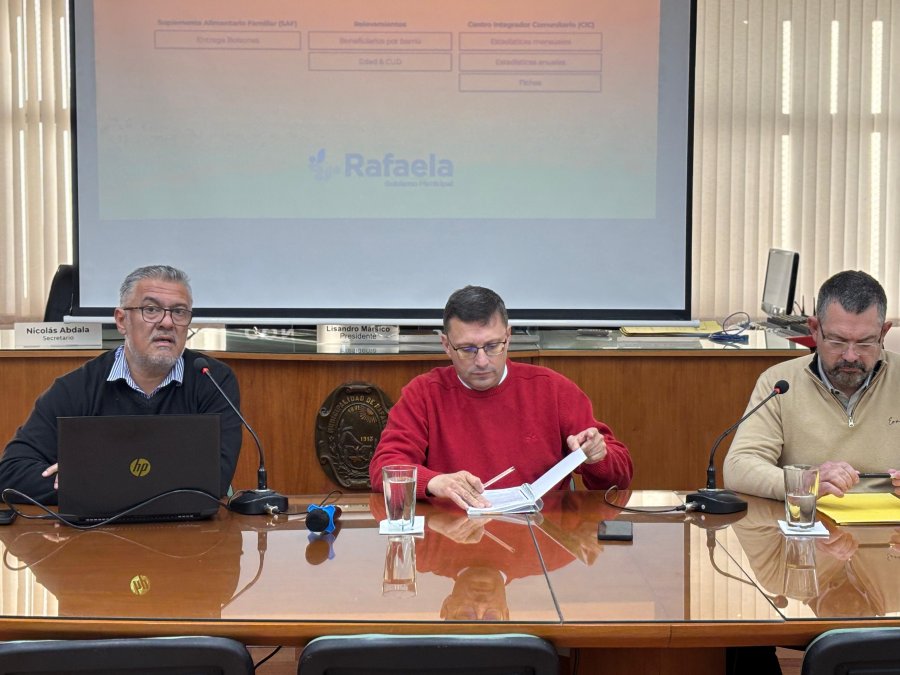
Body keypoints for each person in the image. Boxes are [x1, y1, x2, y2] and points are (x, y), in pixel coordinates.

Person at [369, 285, 632, 510]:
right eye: (467, 349)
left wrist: (598, 456)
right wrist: (436, 482)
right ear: (446, 346)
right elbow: (385, 468)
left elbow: (620, 478)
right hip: (451, 537)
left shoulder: (551, 389)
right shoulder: (423, 394)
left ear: (508, 336)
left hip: (541, 538)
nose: (482, 361)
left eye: (493, 346)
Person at [0, 265, 242, 503]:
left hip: (188, 534)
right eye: (151, 309)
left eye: (179, 312)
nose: (167, 323)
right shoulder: (77, 388)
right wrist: (76, 484)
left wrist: (91, 481)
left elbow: (215, 478)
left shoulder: (211, 379)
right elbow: (10, 472)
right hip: (94, 535)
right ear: (121, 320)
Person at [723, 270, 900, 500]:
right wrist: (803, 482)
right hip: (808, 527)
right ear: (814, 329)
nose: (850, 356)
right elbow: (739, 466)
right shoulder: (781, 382)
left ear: (883, 333)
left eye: (865, 343)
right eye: (837, 341)